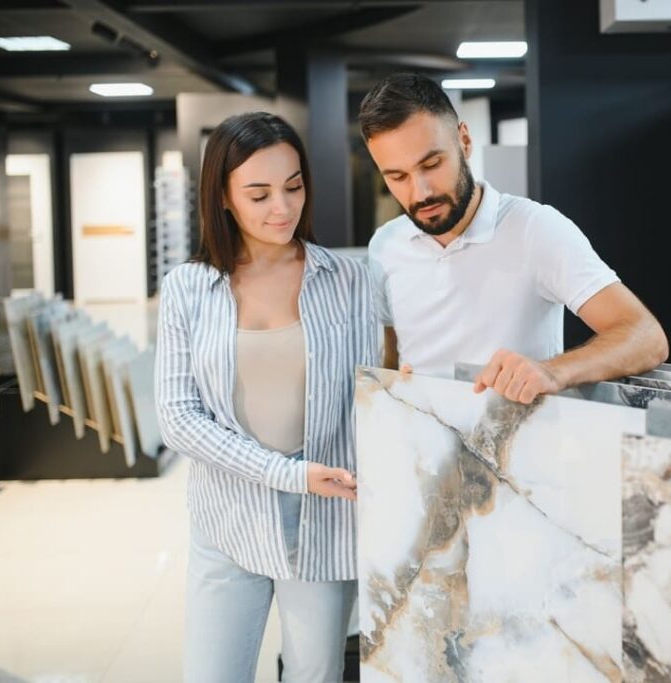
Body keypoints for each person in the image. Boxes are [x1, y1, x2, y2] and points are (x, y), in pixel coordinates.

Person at [155, 111, 375, 683]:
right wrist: (287, 474)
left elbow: (378, 392)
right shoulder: (189, 289)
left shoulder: (351, 281)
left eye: (293, 186)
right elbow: (178, 419)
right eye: (258, 194)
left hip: (325, 522)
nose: (282, 208)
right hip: (226, 516)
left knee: (315, 674)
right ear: (223, 198)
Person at [361, 73, 668, 402]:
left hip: (519, 446)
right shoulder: (385, 245)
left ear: (464, 141)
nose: (420, 192)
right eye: (397, 176)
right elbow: (391, 360)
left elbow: (646, 337)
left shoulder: (535, 228)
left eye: (432, 163)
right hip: (420, 447)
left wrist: (552, 372)